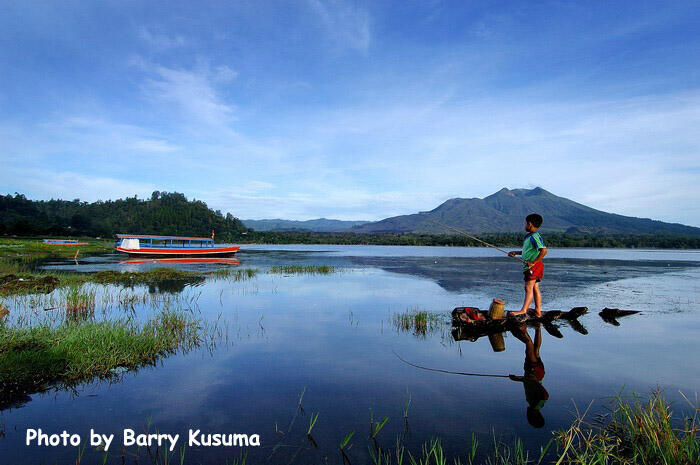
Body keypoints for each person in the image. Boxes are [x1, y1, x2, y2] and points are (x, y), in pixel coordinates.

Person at [509, 323, 549, 428]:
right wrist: (535, 381)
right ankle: (522, 331)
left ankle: (537, 328)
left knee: (535, 350)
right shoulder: (536, 405)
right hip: (534, 372)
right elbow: (545, 396)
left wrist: (517, 379)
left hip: (538, 373)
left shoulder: (533, 403)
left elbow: (528, 383)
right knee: (529, 348)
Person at [508, 213, 547, 316]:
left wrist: (533, 263)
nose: (525, 225)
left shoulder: (534, 236)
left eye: (525, 223)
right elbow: (527, 251)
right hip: (534, 266)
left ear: (530, 224)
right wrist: (516, 253)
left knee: (528, 288)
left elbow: (543, 251)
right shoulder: (529, 237)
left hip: (534, 266)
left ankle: (523, 310)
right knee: (534, 288)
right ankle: (538, 311)